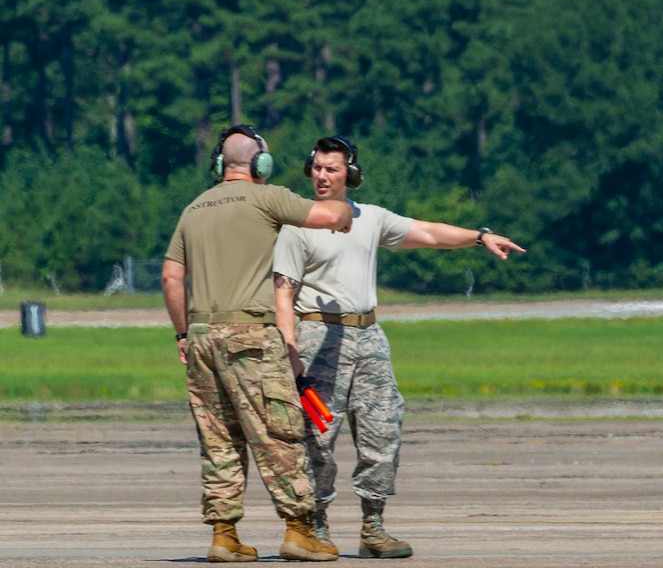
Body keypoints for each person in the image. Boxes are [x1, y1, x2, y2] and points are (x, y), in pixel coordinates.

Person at [273, 136, 525, 559]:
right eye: (316, 167)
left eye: (331, 169)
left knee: (383, 427)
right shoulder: (297, 224)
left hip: (368, 333)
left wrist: (480, 237)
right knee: (315, 435)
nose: (321, 175)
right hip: (317, 332)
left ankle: (373, 526)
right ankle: (313, 527)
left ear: (349, 175)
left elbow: (426, 232)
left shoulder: (370, 218)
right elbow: (283, 292)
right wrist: (290, 348)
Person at [161, 125, 353, 563]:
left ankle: (224, 535)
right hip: (251, 334)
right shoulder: (267, 197)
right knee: (278, 432)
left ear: (219, 165)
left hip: (203, 337)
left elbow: (172, 277)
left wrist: (182, 333)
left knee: (219, 439)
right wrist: (342, 196)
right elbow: (332, 217)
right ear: (259, 164)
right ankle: (299, 531)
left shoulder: (193, 209)